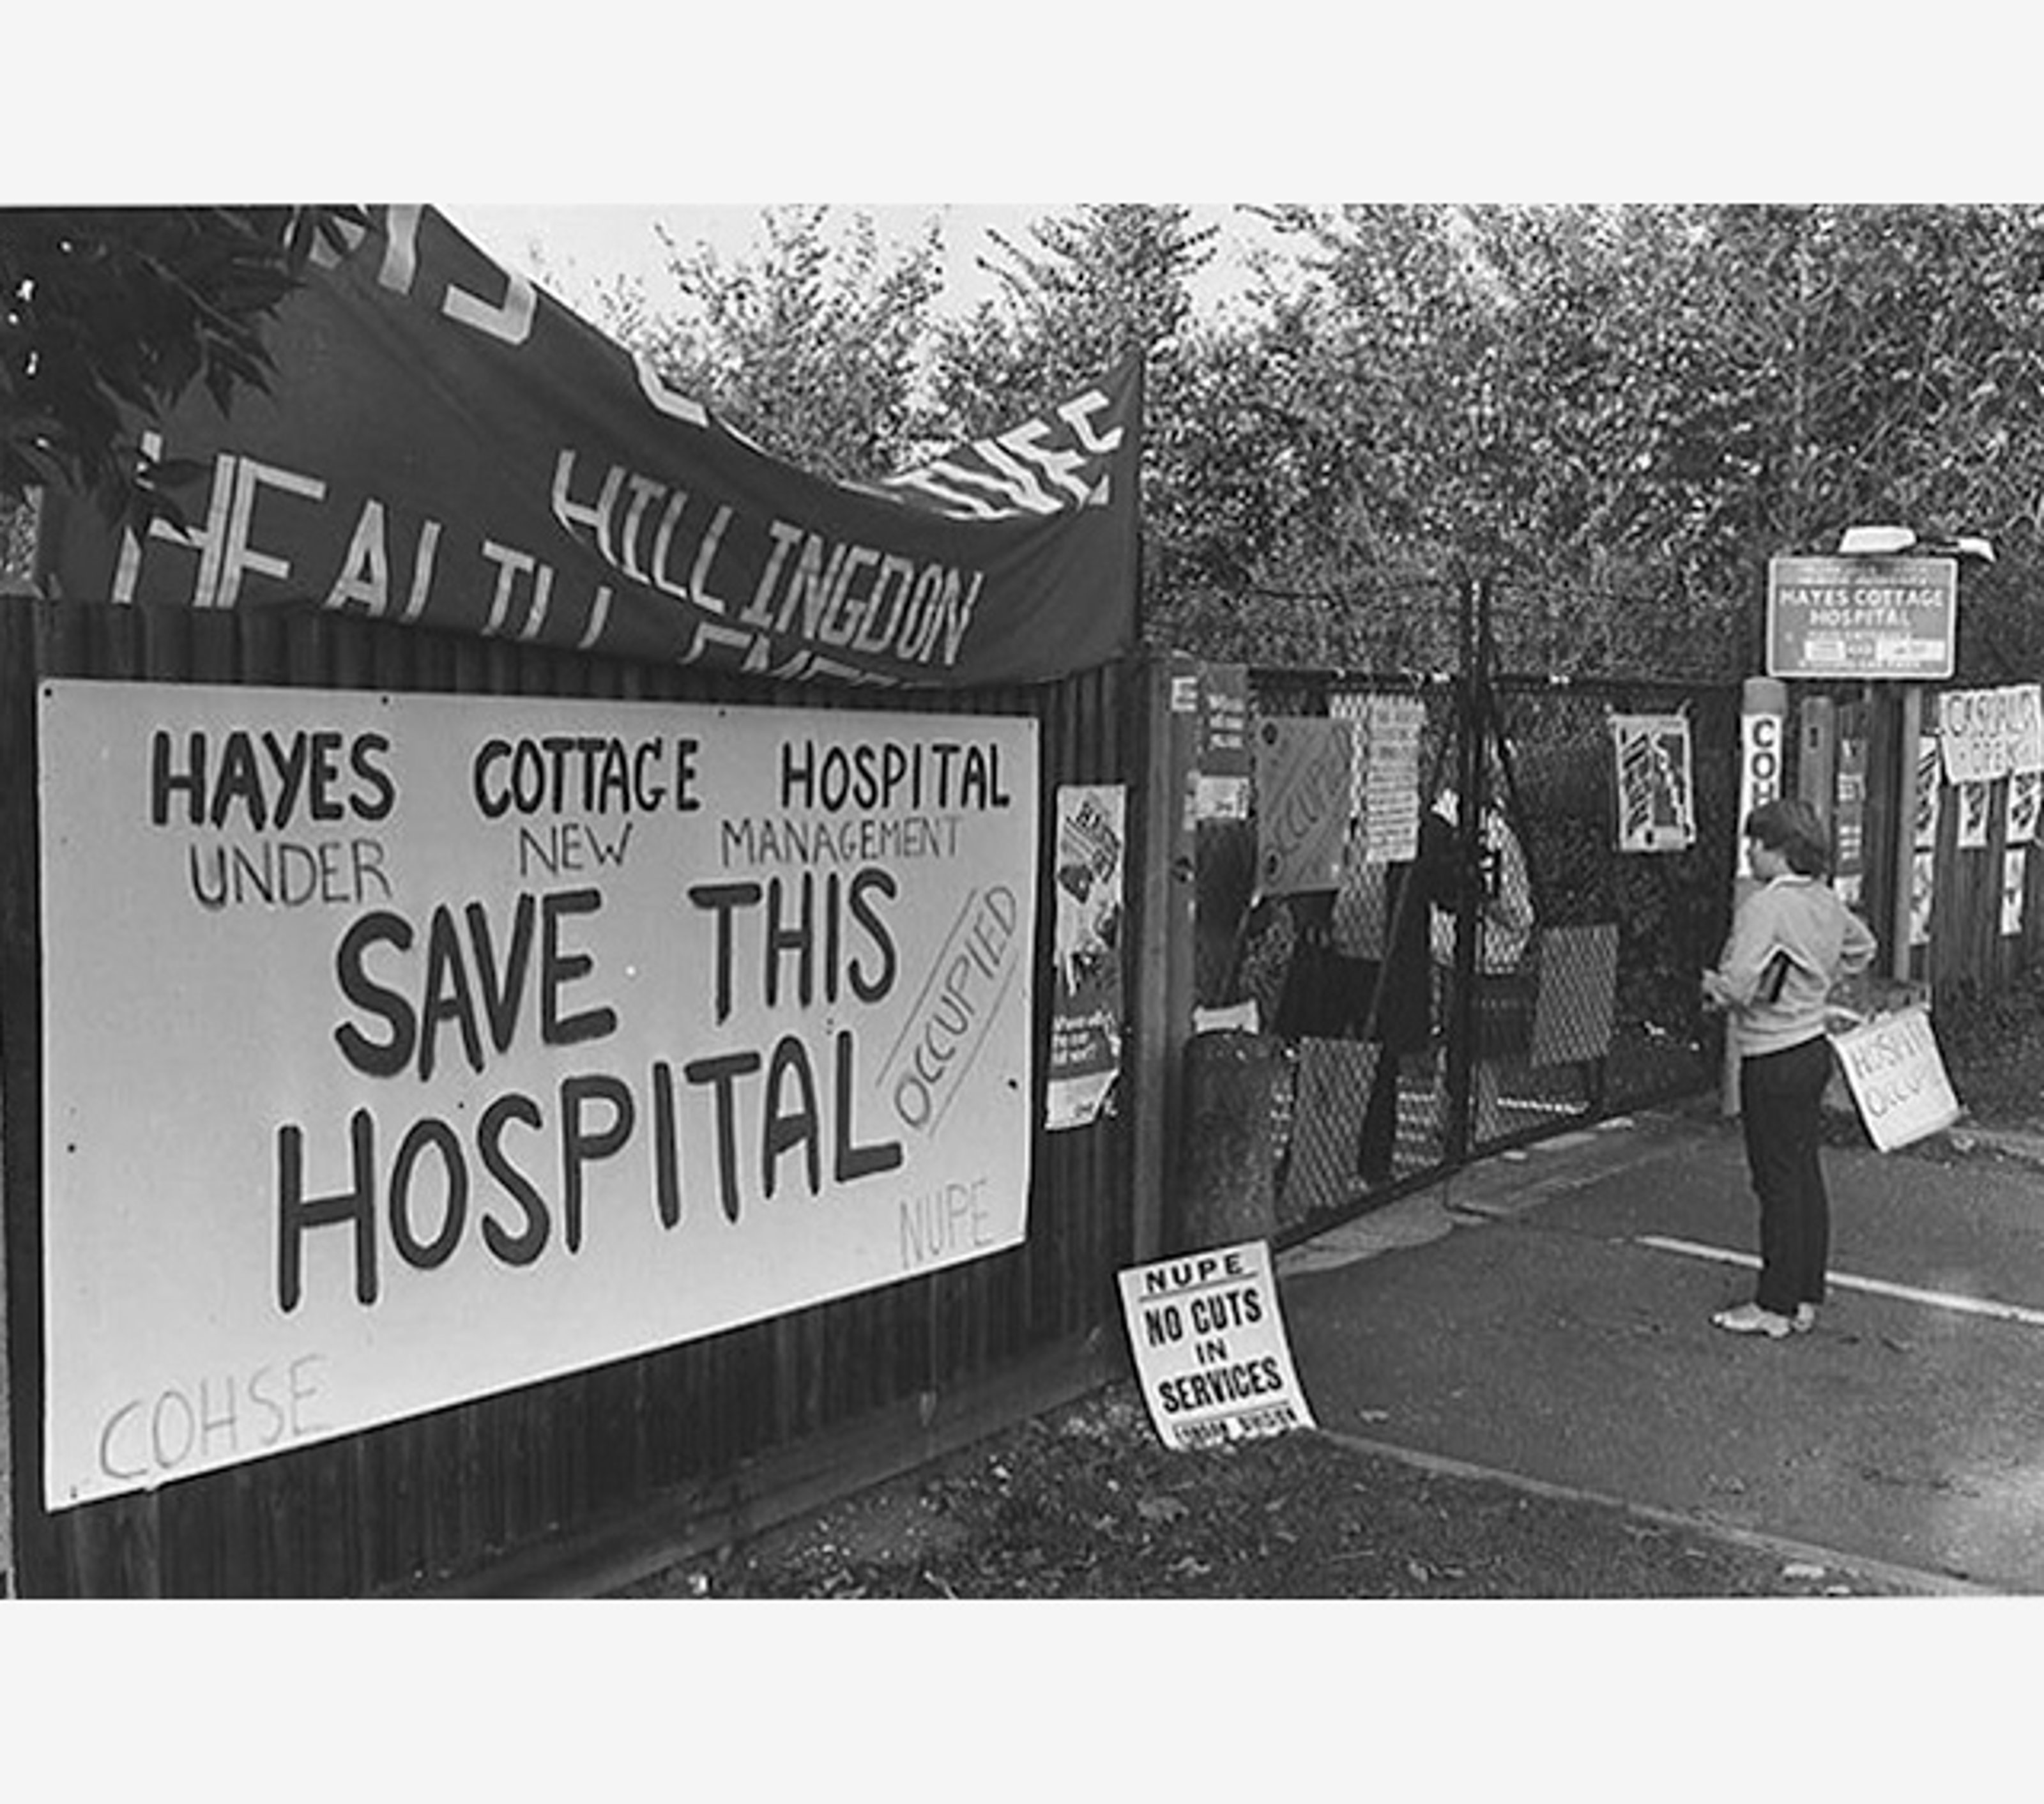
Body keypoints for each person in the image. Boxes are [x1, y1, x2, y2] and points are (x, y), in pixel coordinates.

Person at [1701, 796, 1877, 1339]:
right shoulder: (1825, 901)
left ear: (1780, 851)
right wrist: (1813, 981)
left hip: (1770, 1052)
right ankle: (1804, 1295)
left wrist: (1714, 987)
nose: (1751, 853)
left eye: (1757, 843)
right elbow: (1863, 947)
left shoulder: (1765, 907)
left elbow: (1738, 983)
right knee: (1803, 1172)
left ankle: (1773, 1304)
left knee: (1773, 1178)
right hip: (1811, 1046)